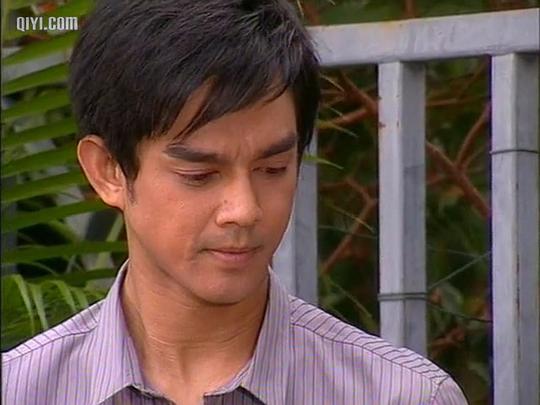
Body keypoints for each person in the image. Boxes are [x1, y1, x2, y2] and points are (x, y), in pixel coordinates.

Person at [1, 1, 468, 404]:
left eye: (273, 168)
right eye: (200, 175)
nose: (244, 210)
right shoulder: (21, 391)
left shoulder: (400, 395)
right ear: (108, 171)